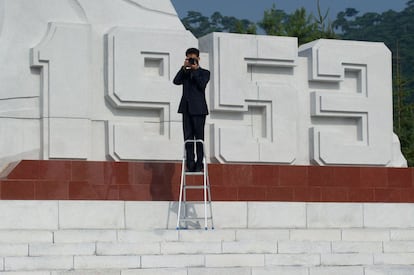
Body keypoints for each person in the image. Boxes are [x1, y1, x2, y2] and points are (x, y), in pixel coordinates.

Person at [173, 48, 210, 172]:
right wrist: (184, 68)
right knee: (188, 138)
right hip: (186, 109)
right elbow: (176, 81)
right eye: (189, 59)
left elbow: (201, 85)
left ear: (198, 59)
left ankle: (199, 164)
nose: (192, 61)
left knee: (199, 138)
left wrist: (195, 71)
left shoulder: (205, 73)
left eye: (193, 59)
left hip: (199, 110)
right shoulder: (185, 74)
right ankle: (190, 163)